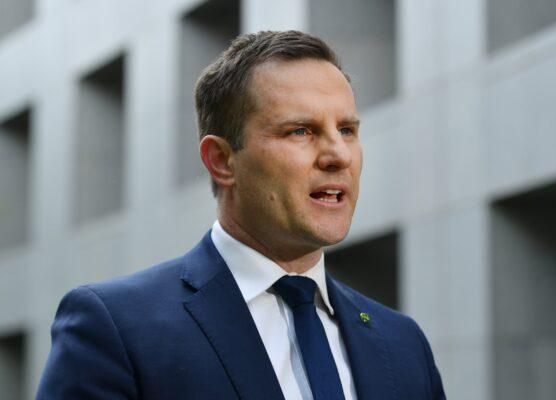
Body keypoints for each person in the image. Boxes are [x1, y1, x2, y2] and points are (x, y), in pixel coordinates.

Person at [36, 30, 445, 399]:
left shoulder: (403, 344)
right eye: (300, 130)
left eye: (347, 130)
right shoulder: (115, 328)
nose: (338, 155)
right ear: (222, 160)